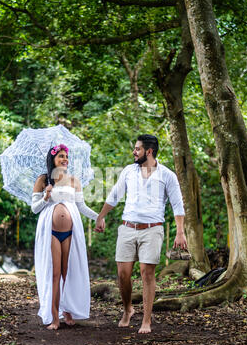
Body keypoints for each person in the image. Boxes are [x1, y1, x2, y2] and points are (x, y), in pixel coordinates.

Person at [95, 134, 187, 334]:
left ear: (149, 151)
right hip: (128, 227)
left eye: (137, 149)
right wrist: (101, 216)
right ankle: (128, 308)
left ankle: (146, 320)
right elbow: (115, 195)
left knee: (147, 273)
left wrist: (180, 232)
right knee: (123, 274)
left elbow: (177, 204)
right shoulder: (129, 171)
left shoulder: (167, 175)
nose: (134, 152)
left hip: (152, 229)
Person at [31, 144, 104, 330]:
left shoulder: (73, 180)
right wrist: (46, 196)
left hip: (71, 232)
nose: (64, 159)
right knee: (55, 273)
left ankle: (68, 311)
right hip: (51, 232)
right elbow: (34, 209)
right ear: (53, 159)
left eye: (66, 156)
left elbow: (81, 207)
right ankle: (55, 316)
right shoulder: (43, 180)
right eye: (60, 156)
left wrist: (99, 217)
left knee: (67, 272)